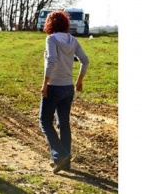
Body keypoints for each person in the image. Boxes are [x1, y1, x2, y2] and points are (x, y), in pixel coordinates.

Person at [39, 10, 89, 174]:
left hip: (53, 87)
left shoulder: (51, 39)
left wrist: (45, 84)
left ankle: (60, 156)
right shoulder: (72, 40)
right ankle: (66, 162)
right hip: (68, 88)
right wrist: (79, 80)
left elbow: (51, 60)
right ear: (65, 24)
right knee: (64, 123)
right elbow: (85, 61)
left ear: (50, 24)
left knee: (45, 121)